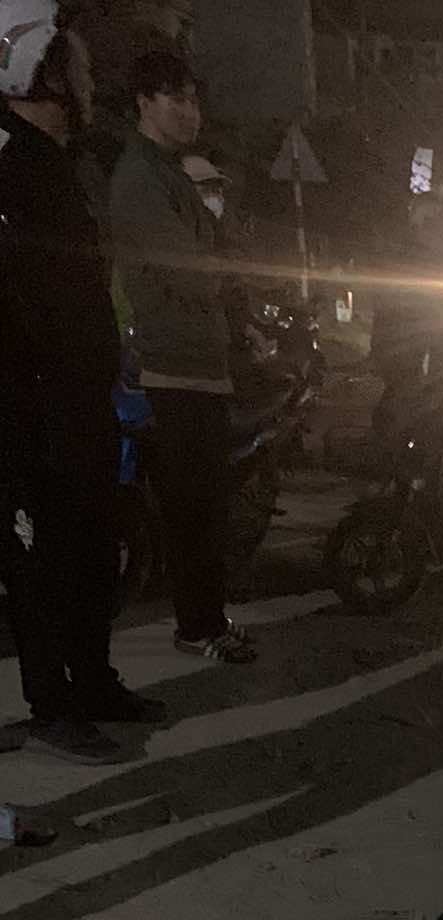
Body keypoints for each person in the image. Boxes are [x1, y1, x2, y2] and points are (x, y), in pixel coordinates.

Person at [0, 0, 165, 760]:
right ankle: (52, 705)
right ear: (43, 73)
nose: (92, 83)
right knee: (42, 565)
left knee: (93, 548)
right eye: (81, 70)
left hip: (82, 398)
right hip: (31, 409)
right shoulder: (11, 170)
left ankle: (93, 682)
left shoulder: (60, 166)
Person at [110, 46, 256, 665]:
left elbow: (218, 251)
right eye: (177, 99)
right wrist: (228, 273)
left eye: (194, 100)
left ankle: (208, 618)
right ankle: (198, 627)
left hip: (199, 364)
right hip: (174, 367)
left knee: (206, 507)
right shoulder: (140, 179)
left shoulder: (170, 173)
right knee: (192, 509)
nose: (190, 112)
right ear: (145, 103)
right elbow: (190, 269)